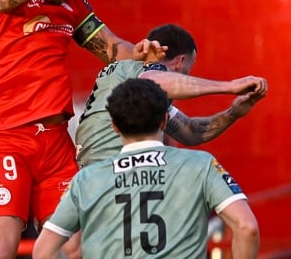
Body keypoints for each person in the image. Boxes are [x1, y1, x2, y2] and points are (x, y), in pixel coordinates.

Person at [0, 0, 166, 259]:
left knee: (76, 245)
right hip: (7, 135)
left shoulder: (70, 1)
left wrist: (138, 52)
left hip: (56, 141)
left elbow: (109, 47)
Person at [34, 78, 260, 259]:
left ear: (114, 126)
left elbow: (43, 252)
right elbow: (246, 228)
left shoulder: (87, 179)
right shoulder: (200, 165)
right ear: (164, 120)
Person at [75, 23, 268, 167]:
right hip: (109, 171)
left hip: (91, 174)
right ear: (180, 61)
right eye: (187, 70)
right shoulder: (145, 71)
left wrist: (233, 113)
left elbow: (191, 131)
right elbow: (157, 80)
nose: (186, 77)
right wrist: (230, 86)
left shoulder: (132, 84)